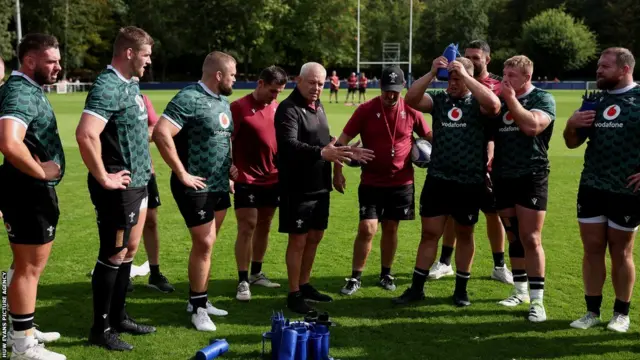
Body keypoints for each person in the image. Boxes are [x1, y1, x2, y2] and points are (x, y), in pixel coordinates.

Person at [394, 56, 501, 307]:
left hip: (468, 181)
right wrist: (432, 72)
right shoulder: (440, 100)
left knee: (465, 234)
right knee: (429, 234)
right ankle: (416, 288)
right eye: (450, 79)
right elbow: (410, 99)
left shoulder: (478, 102)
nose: (452, 84)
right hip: (438, 178)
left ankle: (461, 289)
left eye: (457, 79)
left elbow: (495, 105)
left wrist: (466, 76)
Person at [77, 26, 157, 351]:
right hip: (117, 188)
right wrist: (103, 177)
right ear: (129, 53)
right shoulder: (107, 86)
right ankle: (101, 329)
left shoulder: (132, 84)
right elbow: (85, 135)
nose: (149, 61)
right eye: (146, 55)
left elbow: (135, 128)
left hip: (138, 183)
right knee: (113, 253)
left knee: (129, 251)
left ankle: (120, 316)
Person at [275, 62, 374, 314]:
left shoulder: (318, 107)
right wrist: (322, 152)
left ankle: (305, 284)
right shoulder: (288, 109)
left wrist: (345, 155)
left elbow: (325, 142)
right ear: (299, 80)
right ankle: (294, 293)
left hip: (320, 186)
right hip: (297, 188)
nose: (317, 88)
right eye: (312, 82)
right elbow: (288, 146)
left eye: (321, 83)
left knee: (315, 237)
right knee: (298, 241)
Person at [153, 51, 236, 331]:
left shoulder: (223, 102)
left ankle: (198, 298)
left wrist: (231, 170)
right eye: (233, 74)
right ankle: (198, 309)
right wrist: (181, 172)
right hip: (195, 185)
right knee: (205, 243)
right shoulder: (188, 98)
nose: (236, 79)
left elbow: (223, 141)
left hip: (220, 185)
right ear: (218, 75)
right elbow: (161, 132)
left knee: (209, 243)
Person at [335, 65, 432, 296]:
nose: (390, 95)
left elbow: (429, 137)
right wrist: (337, 172)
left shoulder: (411, 109)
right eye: (387, 90)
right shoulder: (365, 110)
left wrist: (430, 152)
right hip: (371, 182)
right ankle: (355, 277)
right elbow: (341, 143)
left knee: (391, 228)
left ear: (403, 88)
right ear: (380, 87)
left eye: (395, 91)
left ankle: (386, 273)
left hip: (401, 182)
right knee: (367, 228)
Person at [0, 33, 66, 360]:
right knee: (28, 269)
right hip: (27, 193)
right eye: (51, 61)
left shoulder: (26, 89)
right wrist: (41, 173)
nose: (58, 66)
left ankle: (22, 329)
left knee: (25, 267)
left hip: (29, 193)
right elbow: (9, 142)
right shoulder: (20, 93)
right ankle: (23, 347)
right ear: (30, 61)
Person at [564, 47, 639, 332]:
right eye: (598, 66)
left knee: (622, 252)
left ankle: (621, 313)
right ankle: (591, 311)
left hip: (627, 190)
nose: (598, 71)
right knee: (592, 249)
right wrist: (571, 125)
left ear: (624, 69)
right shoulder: (595, 101)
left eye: (605, 66)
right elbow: (572, 142)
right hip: (592, 186)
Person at [430, 40, 512, 285]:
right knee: (454, 216)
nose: (471, 61)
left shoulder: (495, 86)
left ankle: (499, 265)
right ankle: (445, 262)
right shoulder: (456, 81)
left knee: (492, 213)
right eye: (467, 56)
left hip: (491, 162)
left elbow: (496, 121)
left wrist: (492, 152)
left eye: (476, 57)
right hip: (462, 165)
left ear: (487, 59)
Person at [490, 55, 556, 323]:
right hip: (503, 176)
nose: (506, 80)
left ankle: (537, 302)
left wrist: (509, 98)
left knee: (531, 238)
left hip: (531, 175)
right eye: (504, 75)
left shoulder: (542, 98)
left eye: (512, 76)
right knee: (514, 235)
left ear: (527, 77)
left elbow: (531, 126)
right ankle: (519, 291)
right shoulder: (500, 100)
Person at [230, 66, 287, 301]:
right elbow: (225, 139)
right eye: (273, 91)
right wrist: (228, 167)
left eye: (280, 92)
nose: (275, 96)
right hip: (246, 177)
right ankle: (242, 281)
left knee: (265, 224)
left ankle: (256, 273)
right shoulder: (238, 107)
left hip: (272, 177)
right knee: (248, 225)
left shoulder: (277, 108)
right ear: (260, 83)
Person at [134, 93, 175, 293]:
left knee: (151, 221)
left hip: (145, 171)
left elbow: (156, 127)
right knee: (123, 225)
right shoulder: (107, 94)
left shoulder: (143, 98)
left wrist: (133, 134)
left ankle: (155, 272)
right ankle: (121, 273)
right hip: (119, 172)